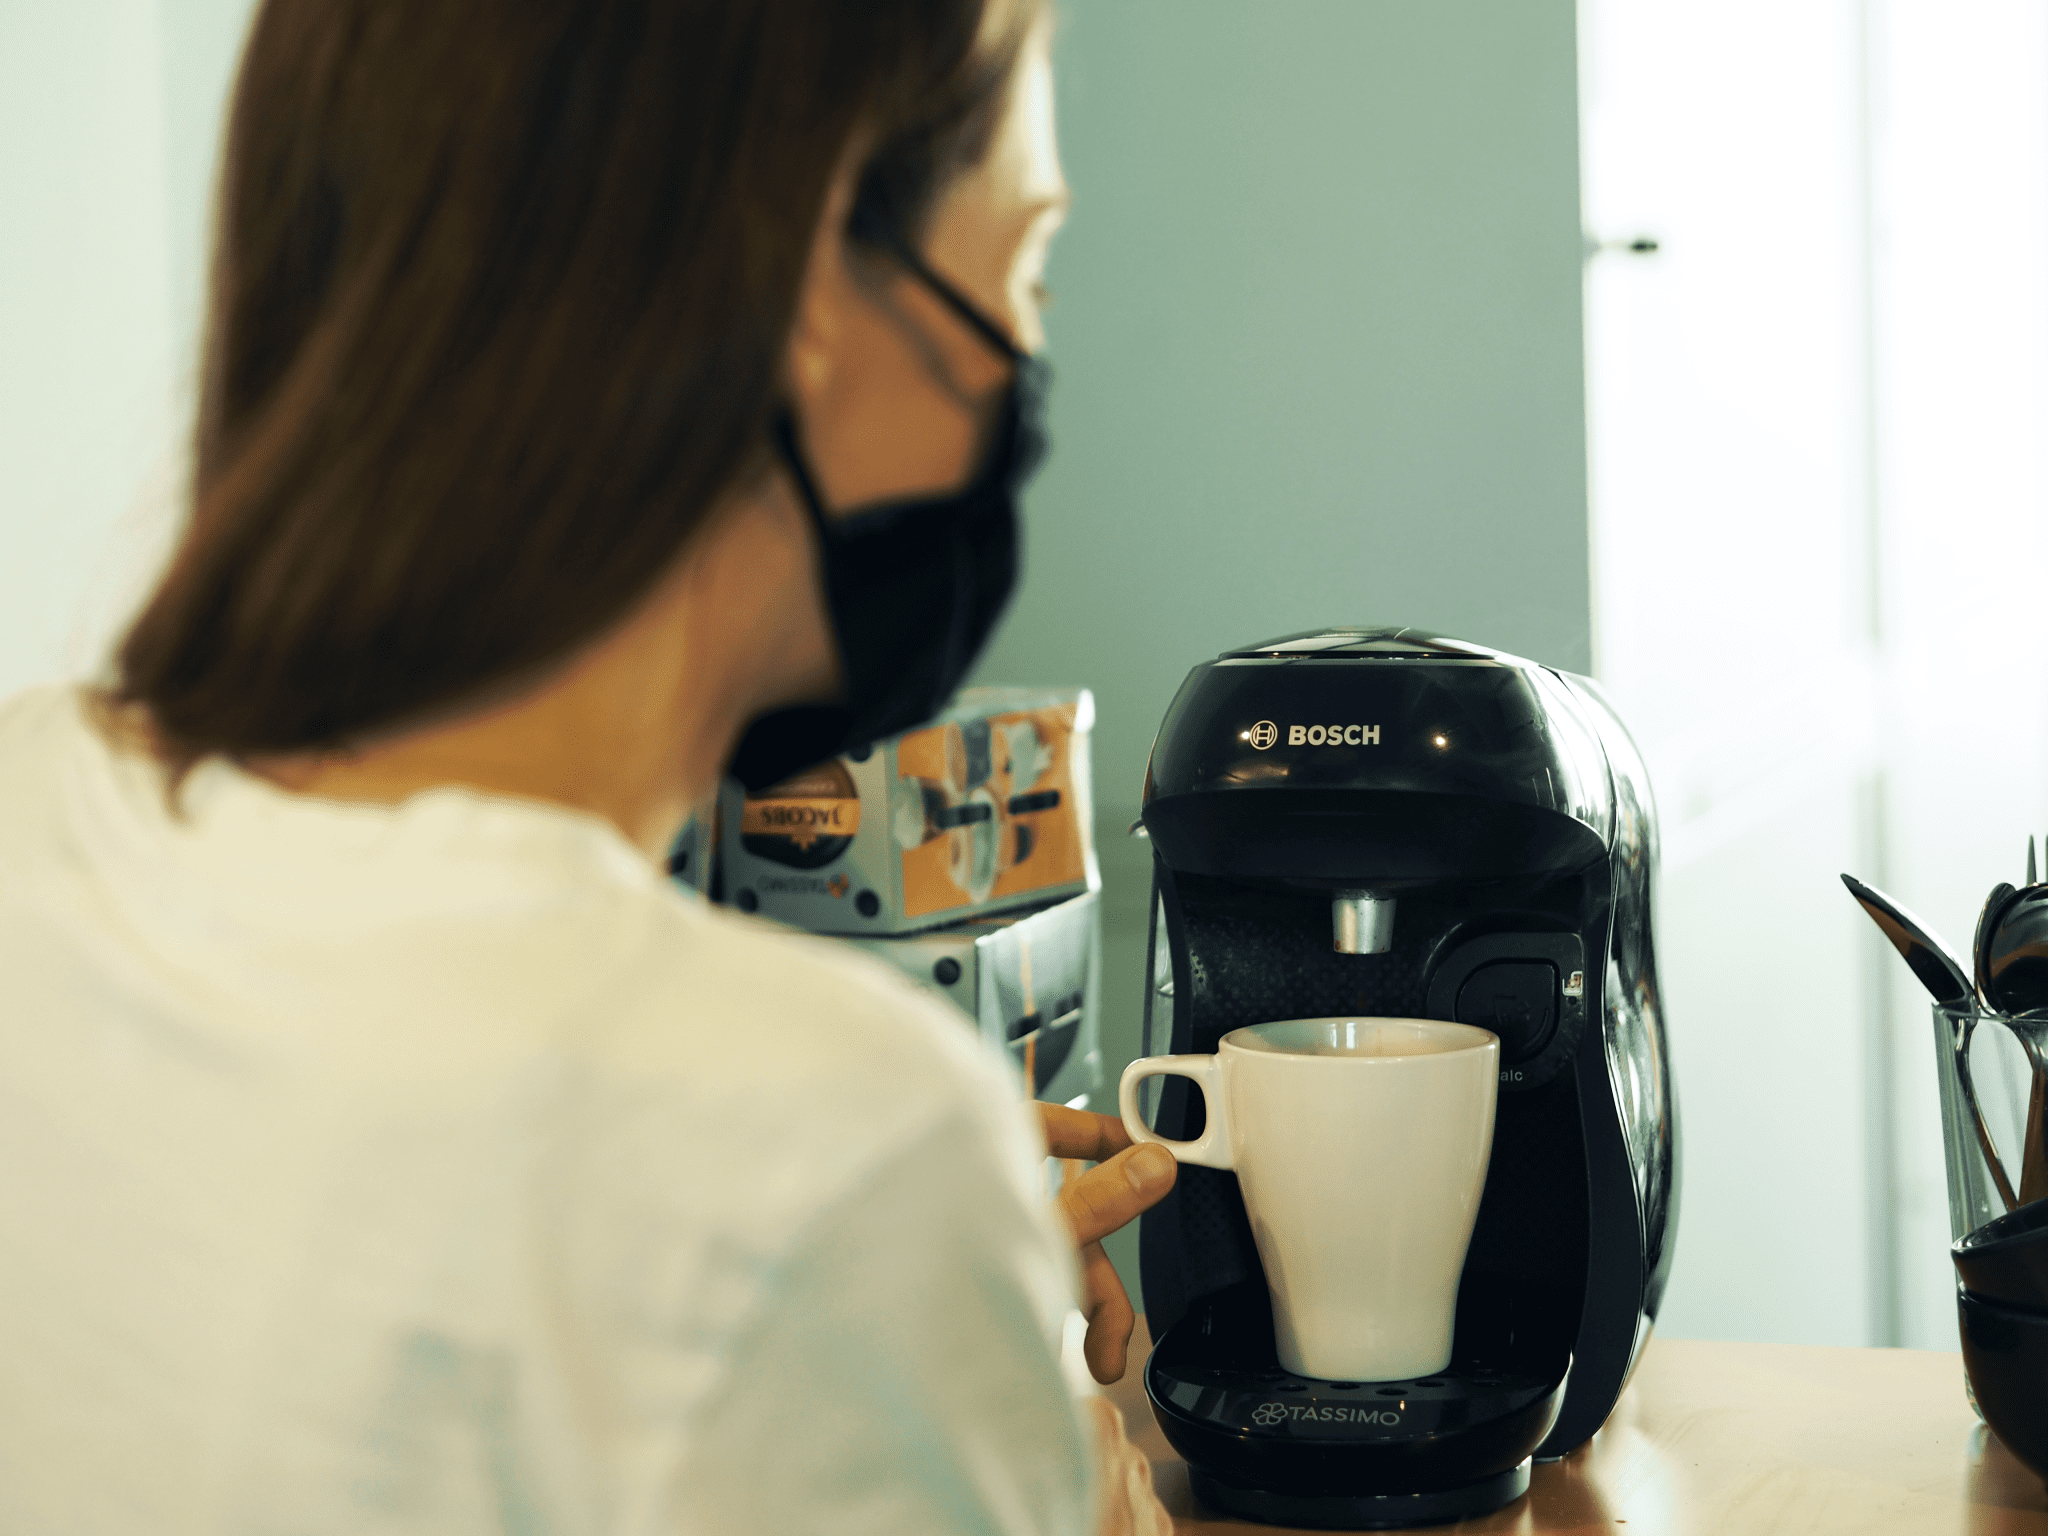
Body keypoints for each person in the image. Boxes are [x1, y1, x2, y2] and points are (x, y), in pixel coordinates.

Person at [0, 1, 1178, 1531]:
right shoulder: (822, 1146)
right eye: (1018, 266)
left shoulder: (28, 801)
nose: (1022, 356)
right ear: (813, 277)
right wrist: (1035, 1422)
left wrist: (890, 1290)